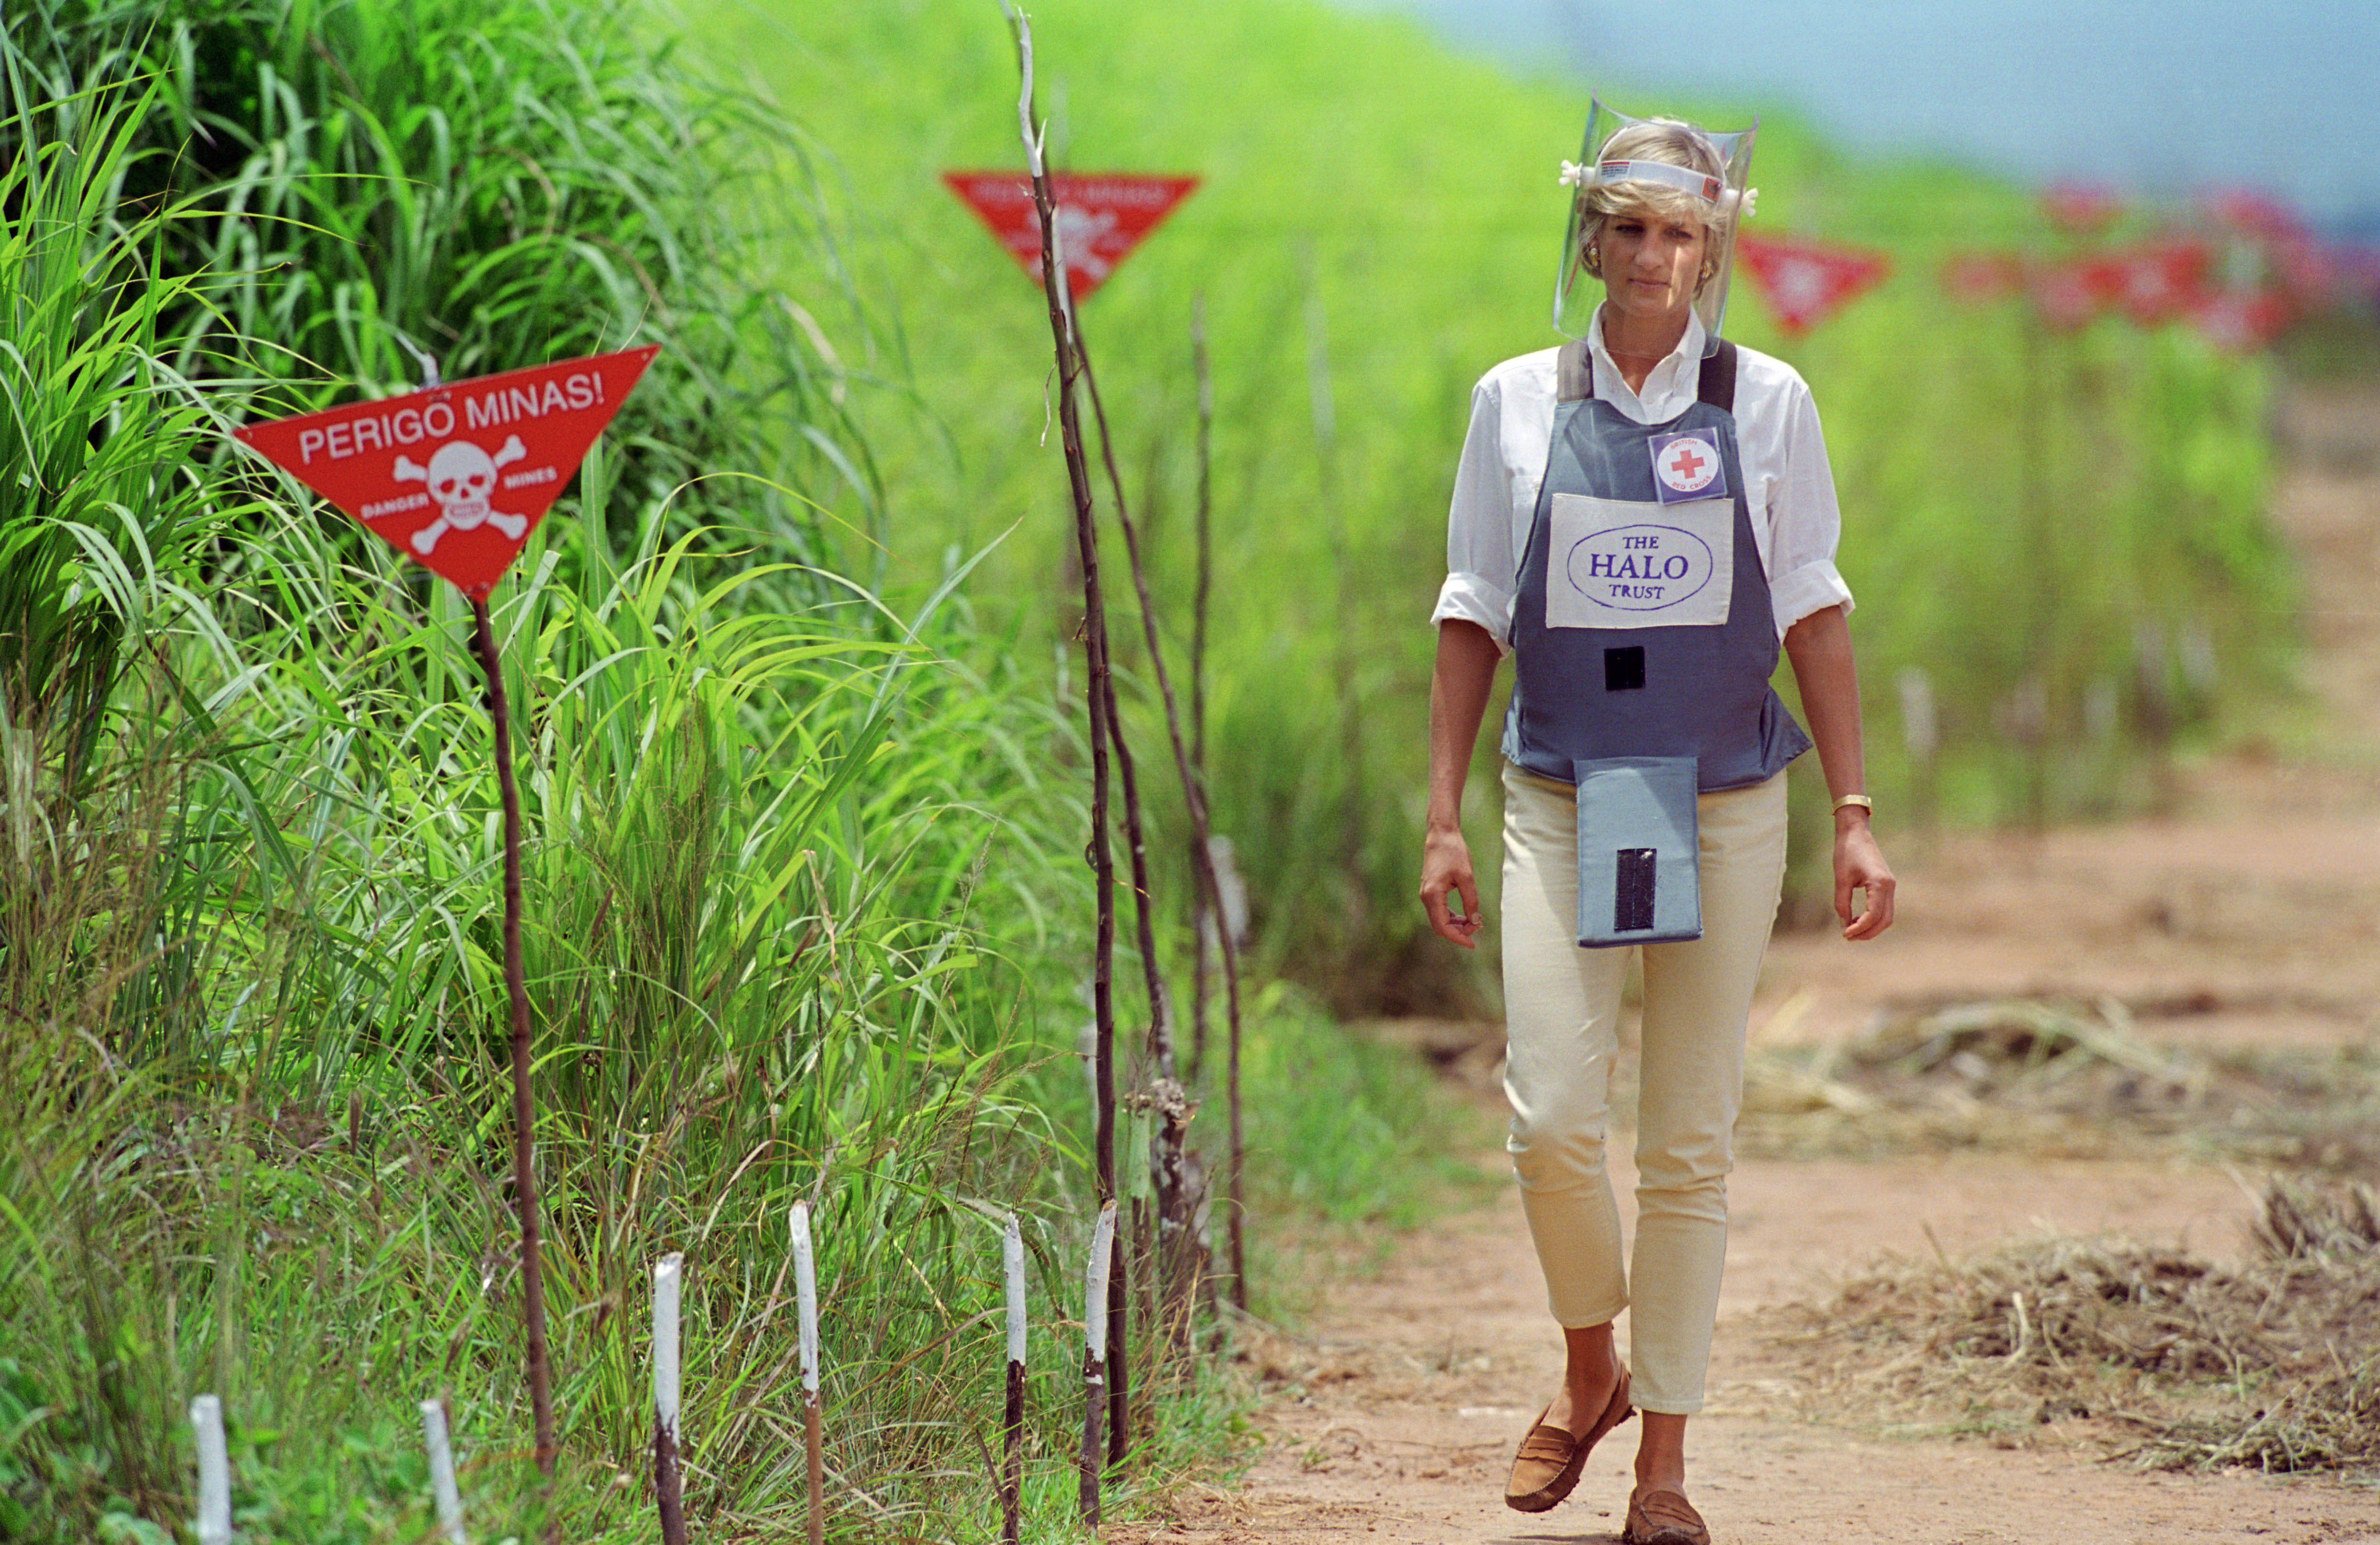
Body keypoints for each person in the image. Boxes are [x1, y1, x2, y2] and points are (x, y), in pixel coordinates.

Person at [1417, 102, 1896, 1545]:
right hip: (1561, 792)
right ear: (1588, 237)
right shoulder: (1513, 400)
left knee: (1687, 1139)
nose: (1649, 254)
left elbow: (1813, 605)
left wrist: (1854, 815)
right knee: (1551, 1115)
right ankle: (1589, 1364)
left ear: (1712, 245)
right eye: (1624, 226)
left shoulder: (1768, 404)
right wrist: (1440, 813)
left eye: (1677, 229)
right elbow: (1470, 610)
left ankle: (1664, 1472)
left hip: (1725, 792)